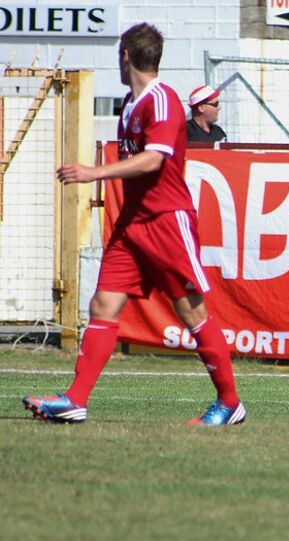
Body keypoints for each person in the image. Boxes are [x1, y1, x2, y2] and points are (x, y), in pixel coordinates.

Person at [22, 23, 245, 426]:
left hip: (165, 220)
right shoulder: (131, 101)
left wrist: (94, 173)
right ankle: (75, 400)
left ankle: (230, 403)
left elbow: (154, 160)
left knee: (190, 313)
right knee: (103, 304)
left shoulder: (162, 101)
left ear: (125, 55)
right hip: (132, 223)